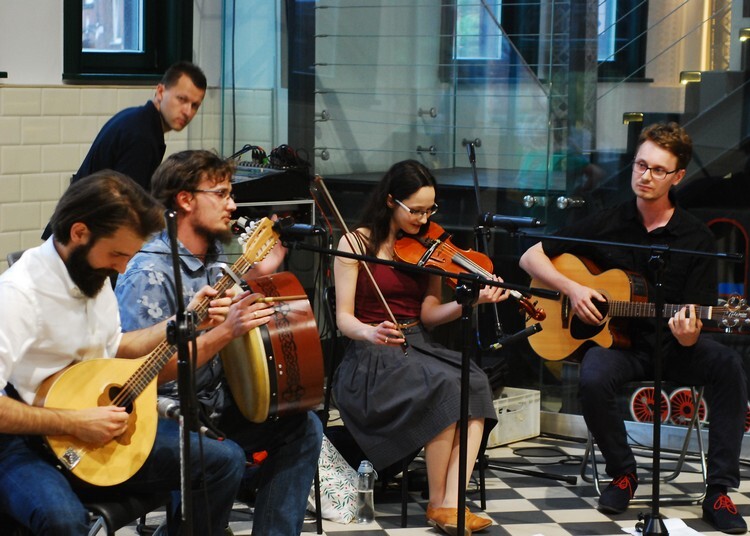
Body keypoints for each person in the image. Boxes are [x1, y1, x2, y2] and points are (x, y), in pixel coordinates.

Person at [519, 122, 749, 534]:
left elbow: (696, 319)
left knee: (727, 365)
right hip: (621, 347)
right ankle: (623, 474)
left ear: (677, 177)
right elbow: (530, 257)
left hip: (675, 347)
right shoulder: (607, 221)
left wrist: (690, 334)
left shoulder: (694, 238)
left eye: (658, 170)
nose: (645, 176)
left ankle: (718, 491)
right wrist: (572, 289)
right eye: (640, 165)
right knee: (592, 374)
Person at [0, 171, 244, 535]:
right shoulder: (19, 294)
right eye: (116, 253)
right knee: (62, 521)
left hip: (93, 424)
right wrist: (73, 423)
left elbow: (115, 346)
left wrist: (184, 321)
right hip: (24, 439)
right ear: (79, 233)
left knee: (224, 462)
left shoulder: (91, 274)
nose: (123, 267)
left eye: (129, 255)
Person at [114, 150, 323, 536]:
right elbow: (144, 376)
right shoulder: (149, 274)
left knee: (303, 424)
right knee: (223, 457)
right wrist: (225, 332)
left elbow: (229, 326)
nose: (233, 204)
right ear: (186, 199)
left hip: (211, 402)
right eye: (223, 194)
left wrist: (261, 276)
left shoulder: (212, 260)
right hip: (163, 415)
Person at [331, 159, 508, 536]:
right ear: (391, 201)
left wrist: (469, 302)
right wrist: (370, 332)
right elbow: (343, 319)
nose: (424, 218)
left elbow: (428, 314)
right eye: (417, 210)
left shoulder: (429, 246)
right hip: (372, 353)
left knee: (473, 380)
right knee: (443, 387)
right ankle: (438, 502)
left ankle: (451, 503)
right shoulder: (355, 242)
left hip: (417, 343)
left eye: (431, 210)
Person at [42, 61, 206, 240]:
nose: (187, 112)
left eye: (195, 105)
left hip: (72, 230)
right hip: (79, 239)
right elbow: (125, 209)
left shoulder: (136, 119)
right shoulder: (142, 136)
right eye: (181, 99)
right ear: (160, 92)